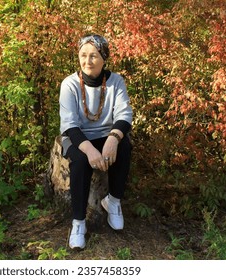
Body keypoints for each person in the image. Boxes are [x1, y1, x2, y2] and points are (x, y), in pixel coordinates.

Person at [59, 34, 133, 249]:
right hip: (77, 137)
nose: (87, 61)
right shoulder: (70, 84)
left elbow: (124, 115)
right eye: (83, 55)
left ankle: (114, 201)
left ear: (104, 58)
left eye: (93, 56)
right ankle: (79, 222)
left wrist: (113, 138)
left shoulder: (116, 81)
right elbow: (69, 124)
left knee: (125, 146)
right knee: (81, 162)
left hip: (105, 134)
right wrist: (90, 150)